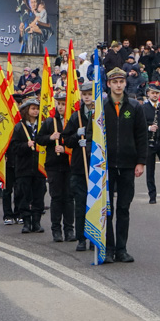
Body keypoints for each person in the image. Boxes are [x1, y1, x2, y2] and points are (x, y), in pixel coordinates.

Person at [103, 68, 149, 263]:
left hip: (128, 164)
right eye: (115, 82)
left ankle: (121, 249)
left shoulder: (134, 106)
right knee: (107, 209)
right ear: (109, 84)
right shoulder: (101, 107)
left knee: (123, 207)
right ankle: (107, 248)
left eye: (121, 81)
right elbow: (92, 134)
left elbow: (141, 135)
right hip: (106, 166)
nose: (119, 85)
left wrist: (141, 161)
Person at [36, 90, 74, 243]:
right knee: (56, 198)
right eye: (59, 104)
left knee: (69, 198)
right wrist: (51, 138)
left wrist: (65, 147)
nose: (61, 107)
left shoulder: (72, 121)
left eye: (64, 104)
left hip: (70, 165)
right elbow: (39, 138)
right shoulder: (50, 122)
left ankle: (69, 229)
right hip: (53, 165)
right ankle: (56, 230)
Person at [62, 80, 95, 252]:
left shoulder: (99, 115)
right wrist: (76, 137)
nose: (87, 97)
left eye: (90, 94)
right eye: (85, 94)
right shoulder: (76, 117)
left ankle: (94, 238)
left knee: (95, 204)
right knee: (80, 204)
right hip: (79, 167)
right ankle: (81, 238)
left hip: (95, 167)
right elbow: (66, 139)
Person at [10, 97, 45, 234]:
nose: (35, 111)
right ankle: (26, 221)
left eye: (37, 109)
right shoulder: (20, 127)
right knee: (24, 194)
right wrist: (26, 145)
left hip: (39, 167)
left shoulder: (42, 126)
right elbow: (14, 147)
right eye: (33, 108)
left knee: (39, 194)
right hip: (24, 167)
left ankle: (36, 221)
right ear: (26, 110)